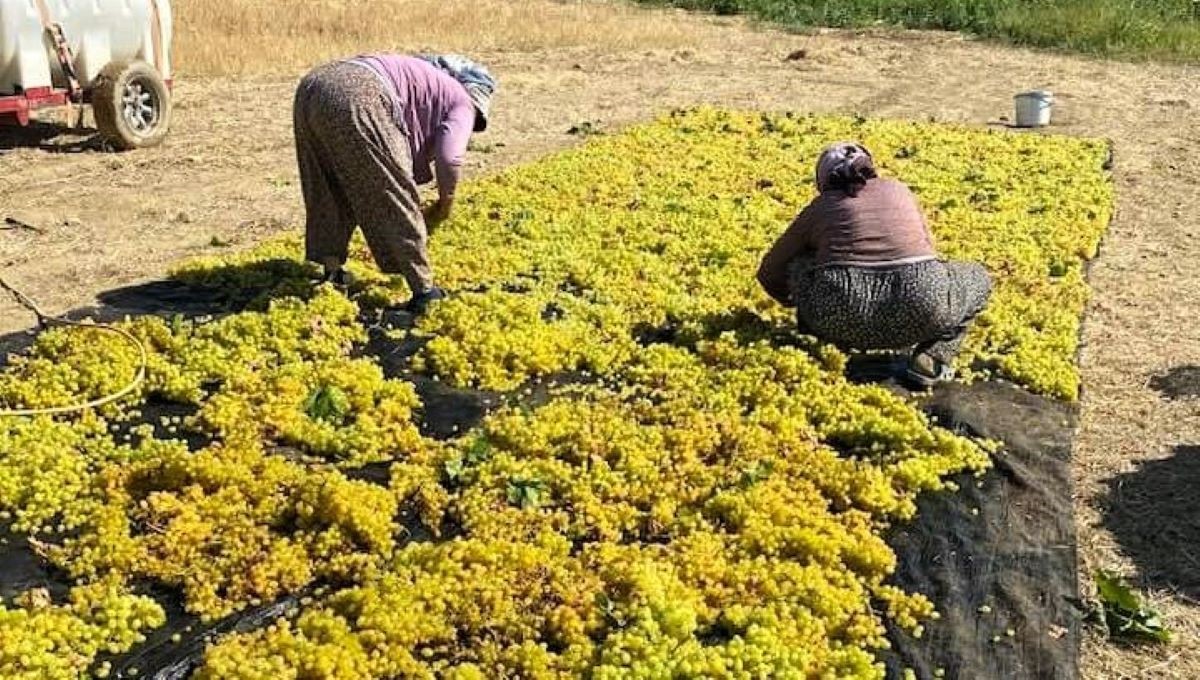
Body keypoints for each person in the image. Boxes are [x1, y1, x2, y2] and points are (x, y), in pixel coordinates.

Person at [756, 142, 992, 388]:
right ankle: (933, 357)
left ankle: (830, 342)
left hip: (841, 316)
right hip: (921, 306)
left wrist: (798, 304)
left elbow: (769, 272)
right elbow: (930, 251)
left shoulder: (820, 207)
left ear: (823, 179)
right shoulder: (899, 190)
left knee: (801, 262)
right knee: (979, 277)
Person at [292, 53, 497, 314]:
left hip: (313, 86)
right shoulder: (462, 100)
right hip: (360, 93)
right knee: (394, 192)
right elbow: (450, 158)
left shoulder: (423, 77)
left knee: (327, 183)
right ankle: (424, 291)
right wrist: (445, 203)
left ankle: (332, 270)